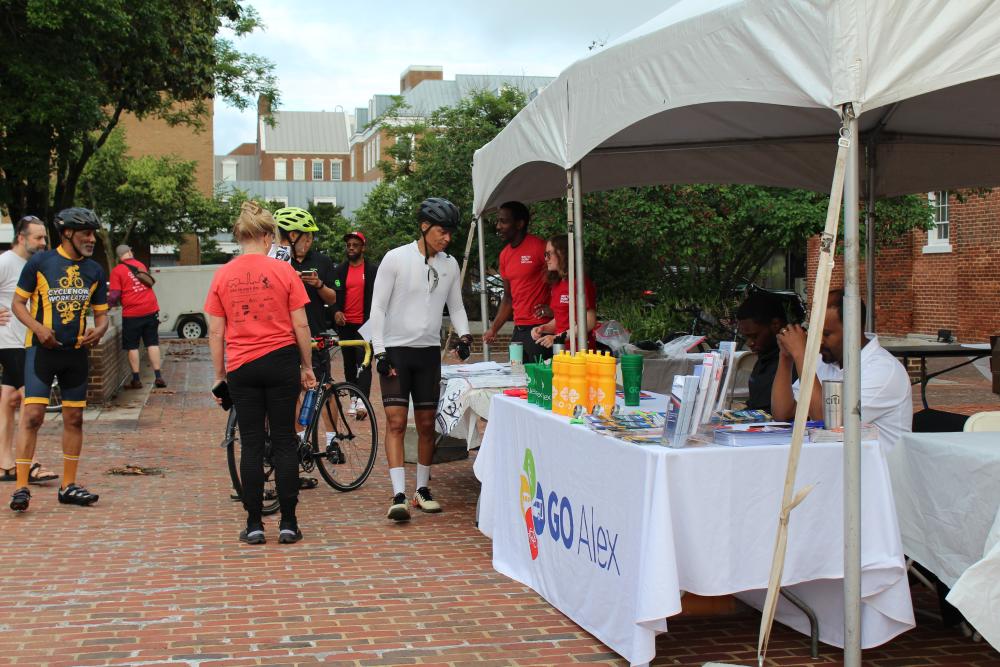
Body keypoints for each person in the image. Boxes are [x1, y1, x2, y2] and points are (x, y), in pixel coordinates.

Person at [205, 201, 316, 544]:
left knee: (251, 445)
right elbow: (300, 323)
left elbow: (215, 331)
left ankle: (254, 524)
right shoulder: (284, 273)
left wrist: (220, 374)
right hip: (281, 361)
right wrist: (307, 366)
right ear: (268, 237)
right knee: (283, 441)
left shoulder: (223, 274)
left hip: (242, 365)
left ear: (241, 236)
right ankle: (288, 523)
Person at [369, 197, 472, 522]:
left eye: (451, 232)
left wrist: (465, 335)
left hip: (428, 353)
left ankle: (422, 489)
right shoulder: (395, 259)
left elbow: (455, 306)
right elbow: (378, 309)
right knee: (397, 422)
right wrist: (380, 350)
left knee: (427, 425)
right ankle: (398, 493)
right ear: (424, 227)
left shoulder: (450, 264)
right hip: (396, 351)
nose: (447, 238)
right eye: (442, 231)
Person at [8, 208, 110, 512]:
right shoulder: (40, 263)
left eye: (93, 233)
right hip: (41, 352)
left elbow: (102, 315)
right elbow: (17, 303)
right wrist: (39, 329)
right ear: (67, 234)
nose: (92, 239)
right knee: (33, 416)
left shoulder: (94, 270)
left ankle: (68, 486)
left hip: (76, 353)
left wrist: (100, 331)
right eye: (86, 234)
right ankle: (21, 487)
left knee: (74, 418)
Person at [771, 289, 912, 447]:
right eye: (815, 333)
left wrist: (801, 355)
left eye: (826, 334)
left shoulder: (883, 371)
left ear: (853, 330)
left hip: (874, 469)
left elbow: (827, 423)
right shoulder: (824, 361)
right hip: (834, 464)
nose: (818, 341)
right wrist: (786, 358)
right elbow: (784, 414)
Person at [0, 216, 56, 485]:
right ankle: (29, 463)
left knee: (9, 400)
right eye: (38, 238)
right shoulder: (5, 262)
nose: (43, 243)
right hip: (9, 342)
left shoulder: (36, 265)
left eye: (44, 237)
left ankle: (5, 463)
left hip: (26, 341)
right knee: (30, 400)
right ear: (21, 238)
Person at [482, 201, 550, 362]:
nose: (498, 226)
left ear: (519, 224)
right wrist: (494, 329)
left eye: (503, 221)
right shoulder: (504, 255)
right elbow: (508, 297)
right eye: (498, 221)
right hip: (519, 330)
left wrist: (553, 309)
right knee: (517, 379)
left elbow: (560, 280)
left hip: (541, 329)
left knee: (540, 383)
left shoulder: (540, 246)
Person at [331, 230, 378, 415]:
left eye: (355, 245)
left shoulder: (373, 271)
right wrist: (335, 312)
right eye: (349, 245)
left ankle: (362, 400)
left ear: (363, 248)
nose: (351, 248)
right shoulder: (339, 271)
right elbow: (332, 297)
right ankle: (353, 397)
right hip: (346, 325)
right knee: (349, 363)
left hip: (366, 324)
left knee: (364, 361)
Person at [109, 244, 165, 389]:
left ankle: (136, 379)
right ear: (129, 252)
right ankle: (158, 376)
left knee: (132, 346)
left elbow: (114, 294)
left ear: (119, 256)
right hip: (151, 309)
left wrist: (107, 306)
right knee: (152, 343)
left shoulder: (117, 271)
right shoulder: (140, 265)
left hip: (132, 313)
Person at [530, 234, 597, 350]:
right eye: (545, 254)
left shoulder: (580, 282)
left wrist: (557, 338)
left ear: (562, 253)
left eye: (549, 254)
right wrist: (544, 327)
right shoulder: (557, 284)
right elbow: (561, 319)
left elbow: (589, 322)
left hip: (581, 351)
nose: (546, 259)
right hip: (562, 351)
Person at [735, 290, 789, 413]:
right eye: (746, 337)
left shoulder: (792, 361)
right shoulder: (764, 358)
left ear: (775, 324)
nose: (749, 343)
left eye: (754, 336)